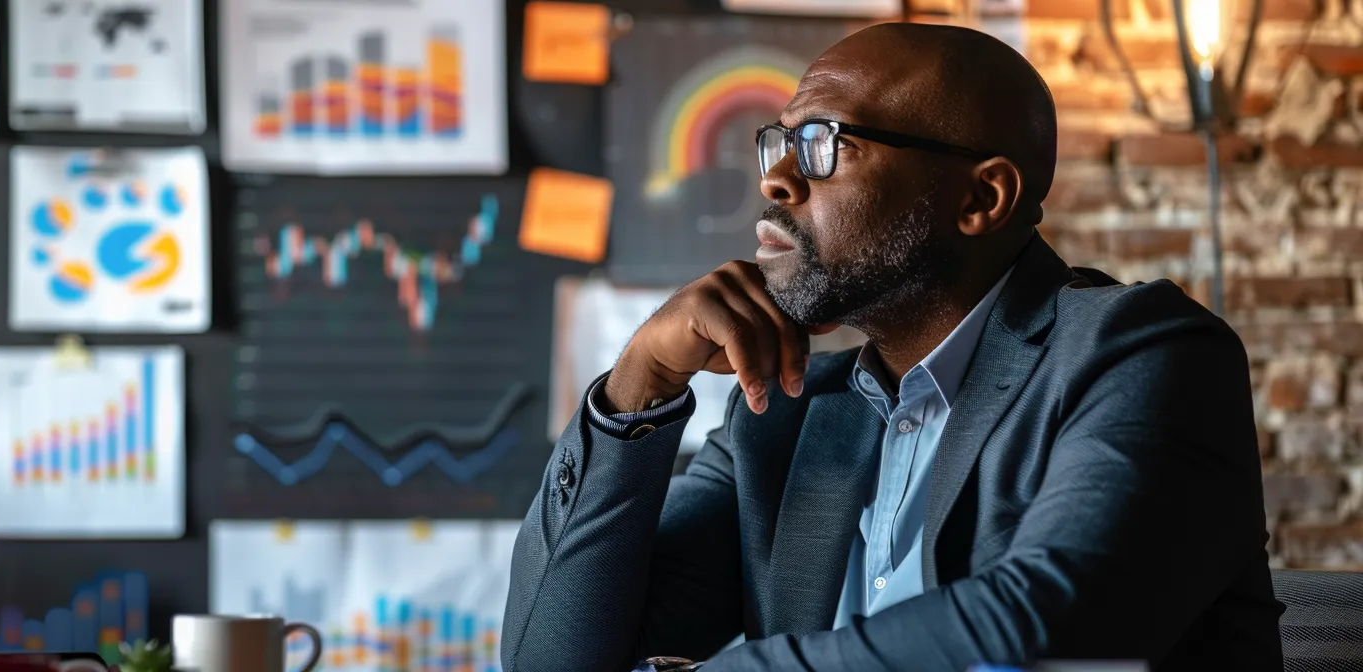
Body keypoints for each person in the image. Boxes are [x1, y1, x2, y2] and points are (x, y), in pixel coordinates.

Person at [500, 22, 1282, 671]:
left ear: (981, 197)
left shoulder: (1141, 353)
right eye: (781, 142)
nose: (776, 179)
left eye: (823, 144)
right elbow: (551, 661)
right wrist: (639, 385)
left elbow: (1046, 629)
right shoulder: (786, 416)